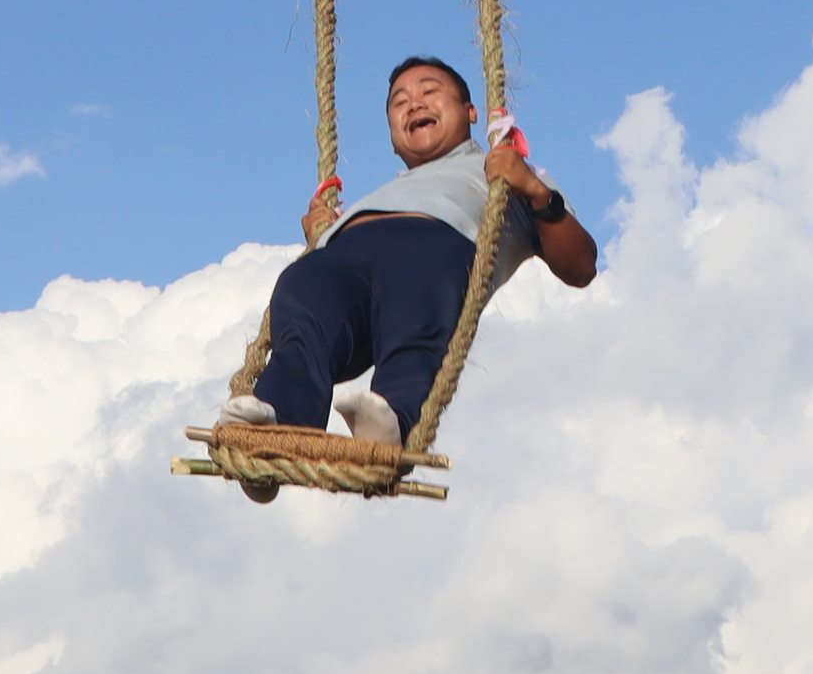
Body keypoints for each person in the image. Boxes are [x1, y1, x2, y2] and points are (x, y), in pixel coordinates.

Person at [217, 55, 596, 490]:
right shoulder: (383, 191)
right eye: (400, 102)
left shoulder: (505, 175)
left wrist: (534, 191)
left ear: (471, 112)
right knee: (302, 290)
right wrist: (324, 233)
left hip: (431, 252)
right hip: (343, 264)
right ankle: (279, 418)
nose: (414, 104)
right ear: (394, 139)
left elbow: (581, 265)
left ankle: (390, 418)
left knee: (414, 300)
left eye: (430, 92)